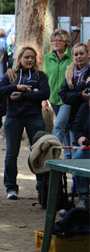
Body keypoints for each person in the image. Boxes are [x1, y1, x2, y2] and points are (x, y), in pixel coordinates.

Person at [0, 46, 50, 200]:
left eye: (32, 57)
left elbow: (45, 93)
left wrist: (24, 94)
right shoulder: (11, 75)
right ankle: (11, 187)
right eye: (26, 57)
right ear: (19, 59)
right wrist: (15, 87)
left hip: (34, 117)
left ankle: (42, 185)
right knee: (11, 153)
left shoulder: (40, 76)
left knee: (39, 152)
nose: (30, 60)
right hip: (14, 118)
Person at [59, 43, 90, 208]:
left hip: (84, 111)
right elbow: (64, 95)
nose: (78, 57)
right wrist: (80, 94)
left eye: (81, 54)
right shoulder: (70, 72)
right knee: (76, 154)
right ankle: (80, 192)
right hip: (77, 118)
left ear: (87, 54)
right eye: (75, 54)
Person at [44, 29, 73, 158]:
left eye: (59, 40)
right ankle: (68, 156)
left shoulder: (72, 57)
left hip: (67, 98)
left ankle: (51, 153)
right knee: (65, 127)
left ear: (65, 42)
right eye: (53, 40)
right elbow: (45, 78)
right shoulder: (48, 58)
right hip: (53, 97)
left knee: (59, 126)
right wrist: (44, 98)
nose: (56, 43)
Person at [71, 100, 89, 210]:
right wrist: (81, 139)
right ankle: (83, 195)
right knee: (78, 158)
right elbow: (77, 127)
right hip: (88, 147)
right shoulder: (84, 107)